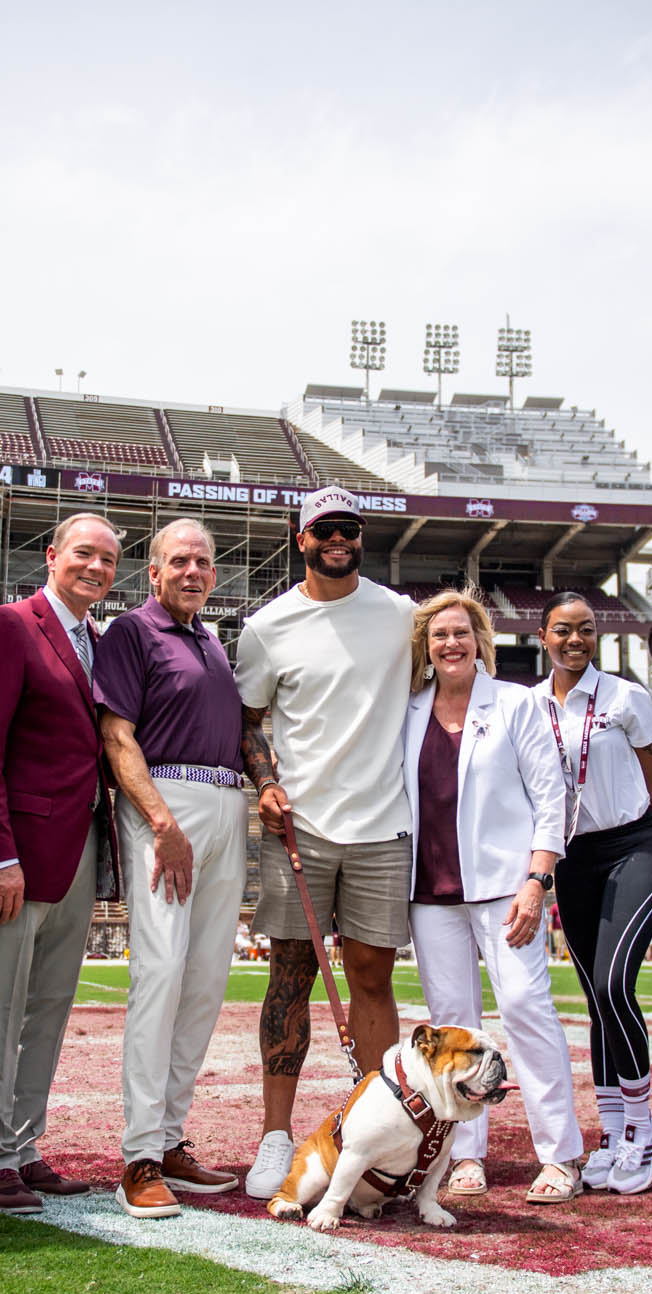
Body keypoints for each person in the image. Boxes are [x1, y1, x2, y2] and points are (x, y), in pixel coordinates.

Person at [234, 486, 417, 1200]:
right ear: (299, 536)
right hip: (300, 828)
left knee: (373, 978)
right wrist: (265, 784)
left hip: (382, 825)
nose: (336, 538)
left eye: (348, 528)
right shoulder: (267, 625)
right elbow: (249, 723)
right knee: (289, 978)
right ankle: (275, 1136)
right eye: (323, 529)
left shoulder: (401, 616)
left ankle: (376, 1126)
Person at [0, 511, 123, 1213]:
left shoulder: (96, 639)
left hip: (78, 845)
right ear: (52, 556)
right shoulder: (8, 626)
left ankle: (23, 1145)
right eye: (84, 554)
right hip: (16, 851)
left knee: (48, 1008)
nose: (96, 568)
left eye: (109, 560)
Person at [401, 590, 580, 1203]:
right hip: (431, 895)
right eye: (439, 635)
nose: (452, 644)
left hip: (508, 890)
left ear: (481, 639)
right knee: (453, 1031)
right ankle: (464, 1154)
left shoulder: (516, 704)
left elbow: (550, 797)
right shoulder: (409, 710)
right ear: (425, 646)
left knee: (528, 1009)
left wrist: (537, 880)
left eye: (462, 632)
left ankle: (560, 1155)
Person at [95, 518, 248, 1218]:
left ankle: (171, 1134)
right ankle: (139, 1155)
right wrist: (160, 820)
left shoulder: (213, 640)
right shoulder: (132, 631)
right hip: (166, 803)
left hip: (223, 803)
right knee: (159, 973)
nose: (193, 572)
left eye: (204, 563)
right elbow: (116, 734)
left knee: (204, 980)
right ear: (152, 573)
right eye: (179, 561)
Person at [532, 592, 652, 1195]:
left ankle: (643, 1127)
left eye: (586, 630)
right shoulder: (529, 705)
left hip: (632, 845)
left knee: (616, 985)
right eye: (563, 630)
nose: (575, 640)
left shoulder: (625, 696)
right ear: (543, 637)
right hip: (574, 856)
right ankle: (612, 1132)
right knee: (595, 998)